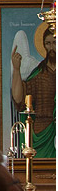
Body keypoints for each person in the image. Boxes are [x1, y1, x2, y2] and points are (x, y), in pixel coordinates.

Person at [11, 22, 56, 157]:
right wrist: (17, 69)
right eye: (48, 43)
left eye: (55, 42)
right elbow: (19, 100)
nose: (52, 47)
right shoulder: (37, 75)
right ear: (43, 45)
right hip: (42, 132)